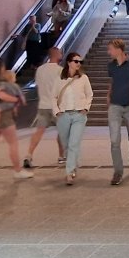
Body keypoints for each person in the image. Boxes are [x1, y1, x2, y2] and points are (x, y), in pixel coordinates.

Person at [106, 38, 129, 186]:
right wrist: (109, 95)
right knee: (114, 140)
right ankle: (118, 172)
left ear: (118, 49)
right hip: (114, 106)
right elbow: (113, 82)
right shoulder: (111, 66)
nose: (108, 52)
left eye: (110, 49)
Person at [53, 52, 93, 185]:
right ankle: (74, 163)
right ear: (69, 62)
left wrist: (86, 108)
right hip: (63, 115)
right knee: (66, 144)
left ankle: (69, 172)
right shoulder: (60, 78)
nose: (78, 64)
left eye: (80, 61)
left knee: (73, 143)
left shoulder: (83, 78)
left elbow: (89, 94)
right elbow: (53, 96)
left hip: (78, 115)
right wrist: (56, 111)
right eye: (76, 61)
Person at [24, 47, 66, 169]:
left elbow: (38, 85)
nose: (62, 54)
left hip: (43, 105)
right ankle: (61, 156)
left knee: (39, 131)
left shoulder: (40, 69)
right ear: (56, 54)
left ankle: (29, 155)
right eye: (60, 53)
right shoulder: (60, 70)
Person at [0, 70, 25, 134]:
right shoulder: (16, 85)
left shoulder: (4, 84)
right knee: (13, 112)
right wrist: (23, 101)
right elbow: (21, 95)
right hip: (14, 103)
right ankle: (14, 116)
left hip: (7, 103)